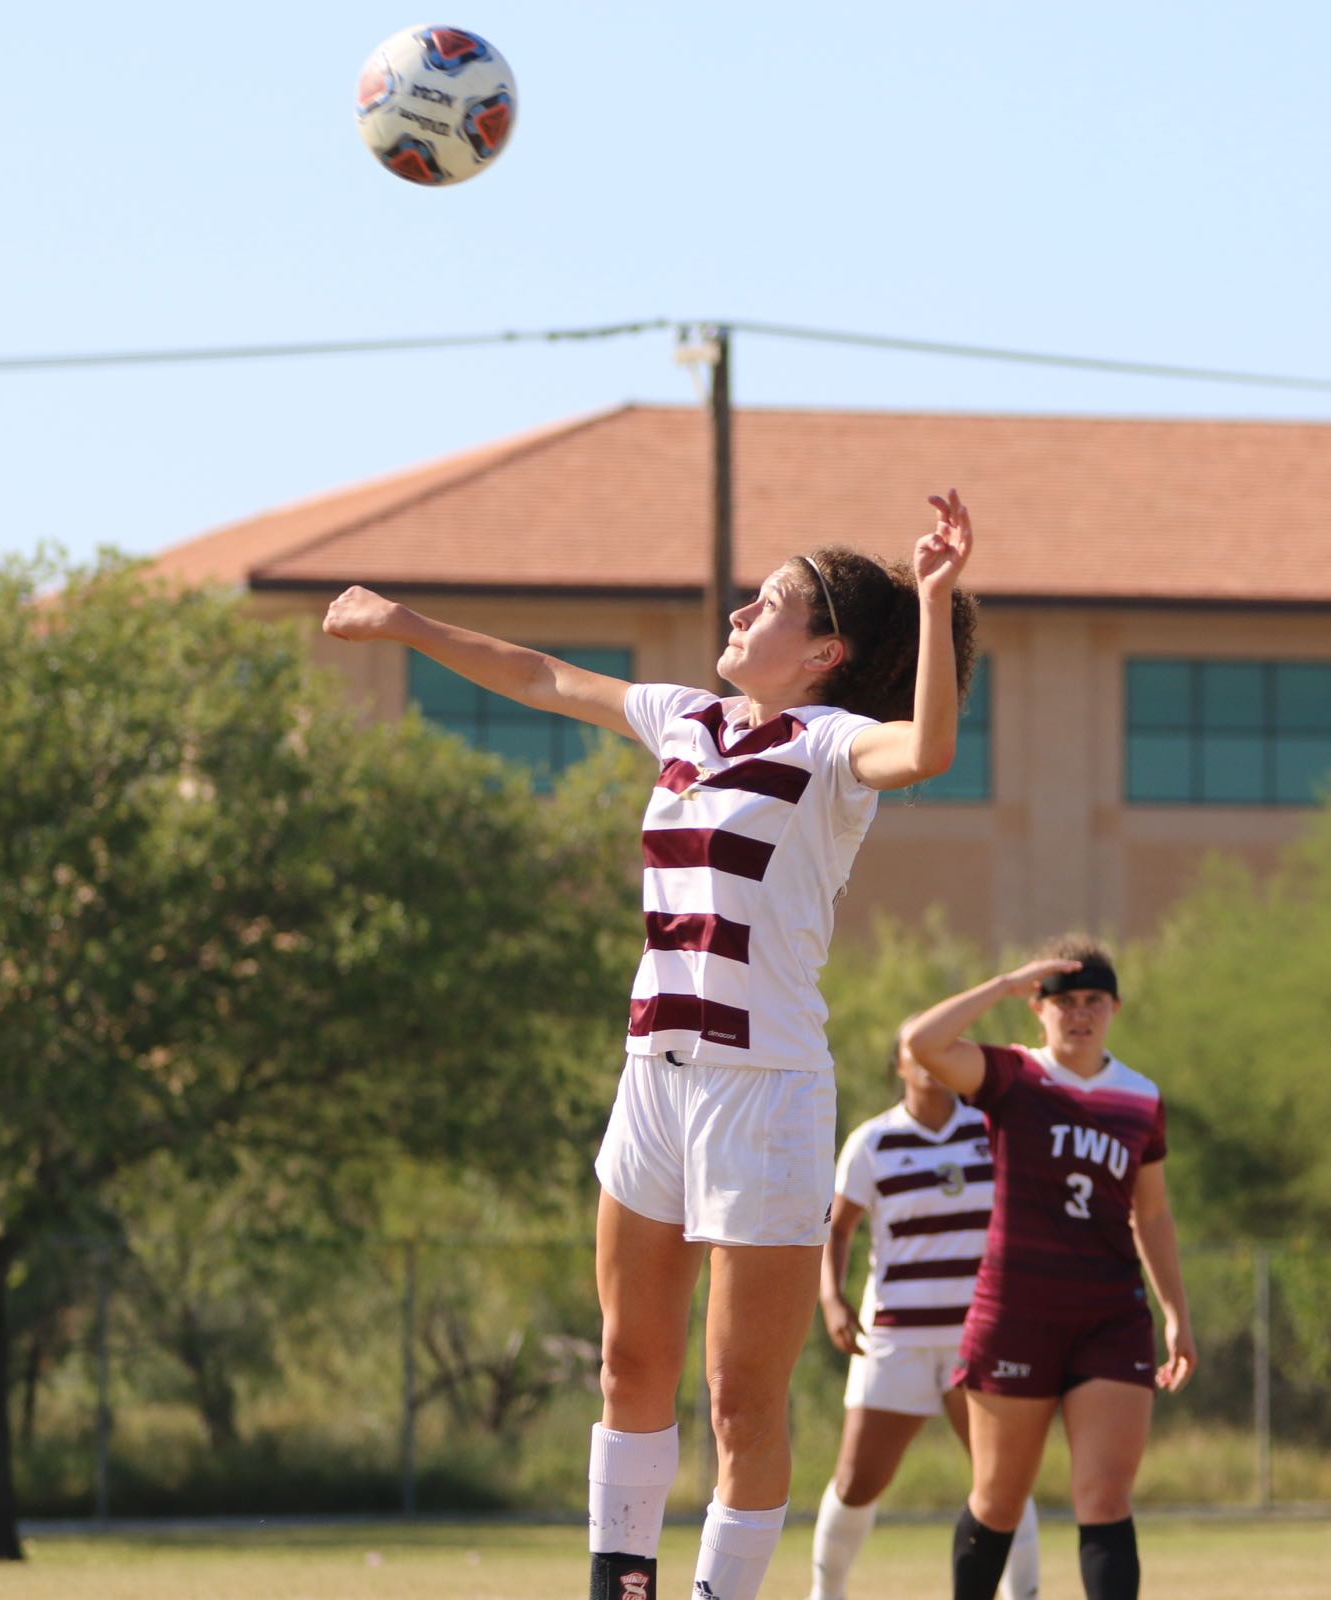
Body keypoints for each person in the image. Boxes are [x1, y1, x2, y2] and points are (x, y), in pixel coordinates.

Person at [322, 492, 980, 1600]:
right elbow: (539, 674)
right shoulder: (684, 717)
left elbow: (931, 748)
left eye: (768, 602)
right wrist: (405, 625)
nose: (738, 609)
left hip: (762, 1094)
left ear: (824, 651)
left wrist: (934, 597)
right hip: (652, 1078)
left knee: (738, 1400)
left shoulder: (828, 748)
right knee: (629, 1362)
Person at [900, 939, 1196, 1600]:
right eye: (1064, 1001)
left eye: (1093, 1000)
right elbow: (921, 1042)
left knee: (1105, 1498)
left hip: (1110, 1316)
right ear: (1041, 1008)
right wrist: (1004, 981)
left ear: (1115, 1007)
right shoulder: (1012, 1075)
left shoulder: (1141, 1099)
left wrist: (1177, 1313)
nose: (1080, 1014)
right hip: (1015, 1314)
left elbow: (1150, 1216)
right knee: (999, 1501)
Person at [806, 1040, 1040, 1600]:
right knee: (858, 1481)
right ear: (900, 1067)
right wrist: (832, 1299)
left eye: (943, 1050)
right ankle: (825, 1592)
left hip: (978, 1337)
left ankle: (1025, 1592)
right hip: (895, 1337)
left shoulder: (989, 1127)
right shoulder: (872, 1141)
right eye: (918, 1052)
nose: (931, 1061)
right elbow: (837, 1229)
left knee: (1001, 1477)